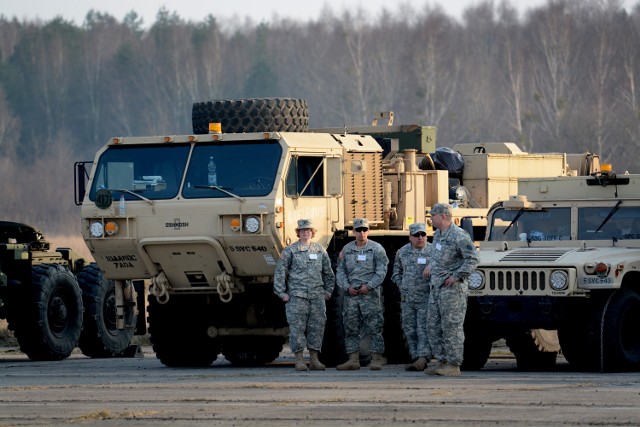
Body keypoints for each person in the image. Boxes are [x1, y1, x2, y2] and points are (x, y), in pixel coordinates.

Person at [423, 203, 479, 376]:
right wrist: (431, 266)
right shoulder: (438, 235)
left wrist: (456, 276)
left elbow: (472, 259)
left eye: (433, 215)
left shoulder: (459, 235)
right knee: (433, 325)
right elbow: (437, 256)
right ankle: (442, 361)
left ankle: (454, 364)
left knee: (451, 327)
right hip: (437, 288)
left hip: (452, 290)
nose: (431, 218)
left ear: (443, 216)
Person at [273, 219, 335, 371]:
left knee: (317, 328)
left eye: (308, 230)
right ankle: (299, 360)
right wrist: (281, 293)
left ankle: (314, 359)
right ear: (298, 233)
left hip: (316, 296)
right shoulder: (290, 251)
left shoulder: (320, 250)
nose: (305, 232)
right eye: (302, 230)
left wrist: (328, 291)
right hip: (297, 296)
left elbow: (328, 273)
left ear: (312, 233)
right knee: (297, 328)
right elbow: (280, 272)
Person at [336, 218, 389, 371]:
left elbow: (381, 271)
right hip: (351, 295)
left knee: (374, 326)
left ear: (368, 231)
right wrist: (346, 287)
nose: (362, 233)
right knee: (351, 327)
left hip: (370, 295)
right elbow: (340, 271)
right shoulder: (346, 249)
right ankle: (353, 359)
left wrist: (369, 286)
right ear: (353, 231)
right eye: (358, 230)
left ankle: (377, 358)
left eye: (364, 230)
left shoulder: (377, 248)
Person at [392, 222, 432, 372]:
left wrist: (431, 265)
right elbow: (396, 272)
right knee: (409, 329)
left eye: (423, 234)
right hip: (408, 299)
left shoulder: (434, 251)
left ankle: (423, 358)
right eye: (416, 235)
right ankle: (415, 357)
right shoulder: (402, 252)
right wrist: (401, 285)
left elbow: (444, 266)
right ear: (410, 237)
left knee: (423, 329)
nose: (420, 238)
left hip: (425, 298)